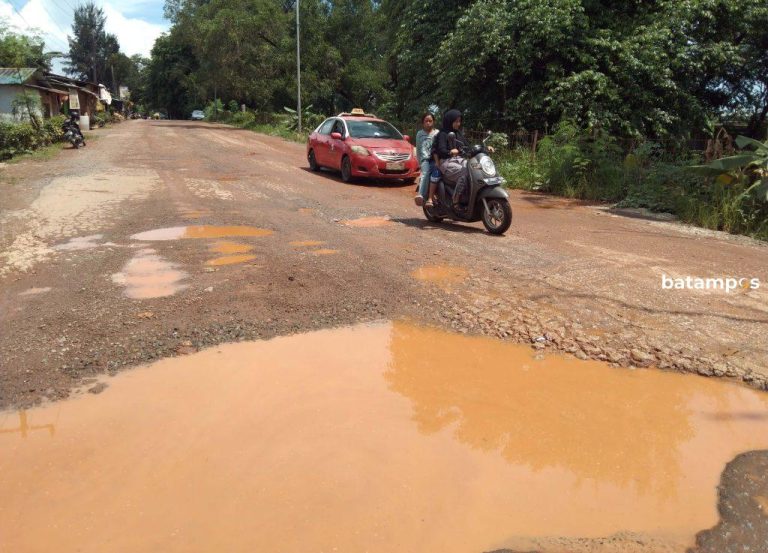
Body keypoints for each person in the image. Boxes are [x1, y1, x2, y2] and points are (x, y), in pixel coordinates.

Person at [434, 109, 470, 210]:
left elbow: (468, 146)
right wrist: (450, 152)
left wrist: (484, 148)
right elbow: (440, 150)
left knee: (476, 168)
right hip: (446, 162)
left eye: (459, 121)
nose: (458, 124)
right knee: (466, 172)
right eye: (456, 121)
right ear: (450, 121)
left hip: (458, 160)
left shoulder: (458, 133)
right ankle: (456, 199)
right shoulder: (443, 134)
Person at [414, 113, 438, 206]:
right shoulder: (419, 134)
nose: (428, 123)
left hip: (435, 159)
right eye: (426, 121)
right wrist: (419, 163)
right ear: (423, 123)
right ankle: (421, 195)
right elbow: (418, 148)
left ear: (433, 122)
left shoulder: (437, 133)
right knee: (426, 173)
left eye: (430, 121)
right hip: (425, 160)